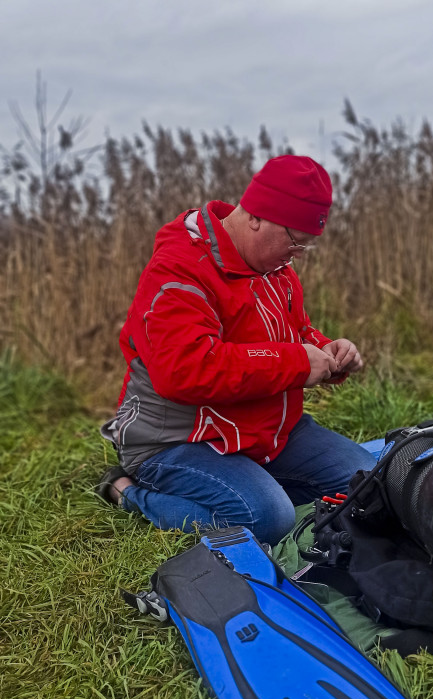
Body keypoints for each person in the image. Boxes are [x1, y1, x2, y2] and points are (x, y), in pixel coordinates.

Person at [97, 154, 376, 544]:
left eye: (306, 246)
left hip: (264, 433)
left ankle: (254, 488)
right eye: (296, 241)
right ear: (257, 217)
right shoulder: (178, 269)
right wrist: (296, 363)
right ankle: (128, 492)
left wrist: (330, 351)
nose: (297, 255)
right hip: (179, 441)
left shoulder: (276, 271)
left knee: (367, 484)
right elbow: (185, 369)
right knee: (269, 520)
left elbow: (297, 333)